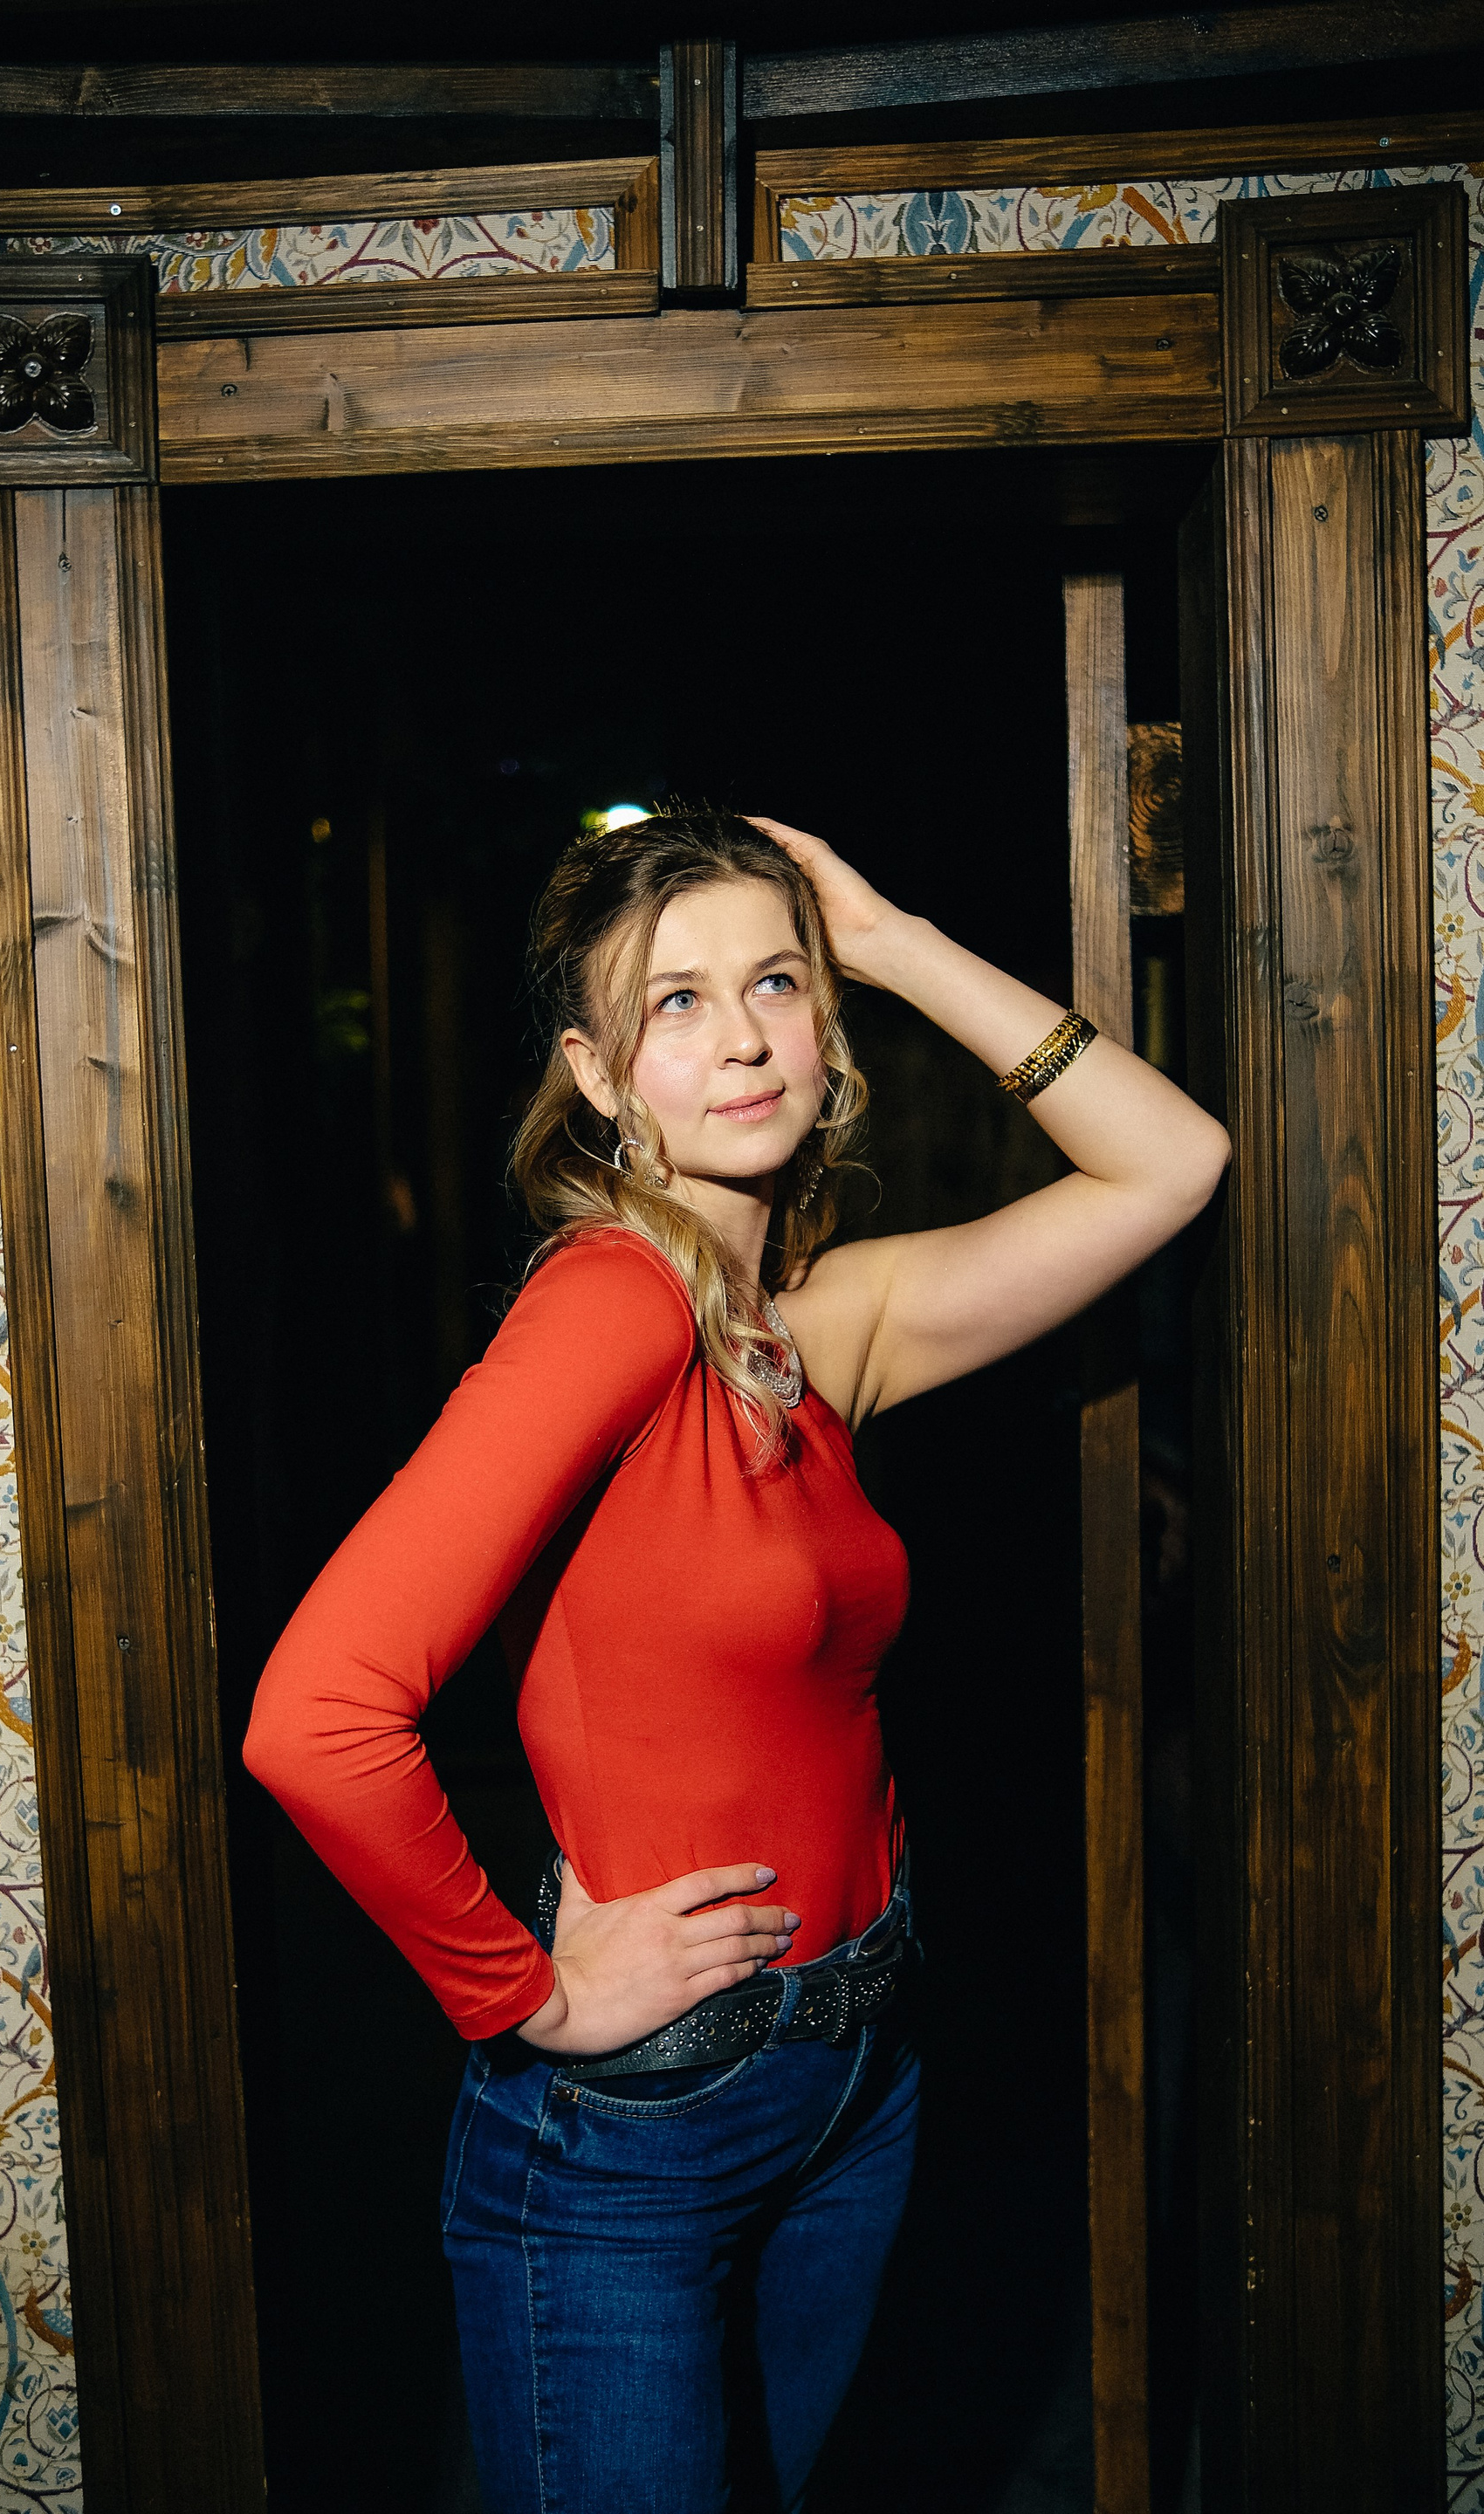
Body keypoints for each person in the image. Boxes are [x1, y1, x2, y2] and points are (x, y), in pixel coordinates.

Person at [243, 807, 1229, 2512]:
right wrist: (527, 1994)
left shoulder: (808, 1329)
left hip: (852, 2079)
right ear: (598, 1076)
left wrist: (891, 938)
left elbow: (1172, 1163)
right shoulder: (613, 1303)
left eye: (776, 983)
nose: (748, 1037)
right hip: (648, 2128)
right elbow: (315, 1717)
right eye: (676, 1004)